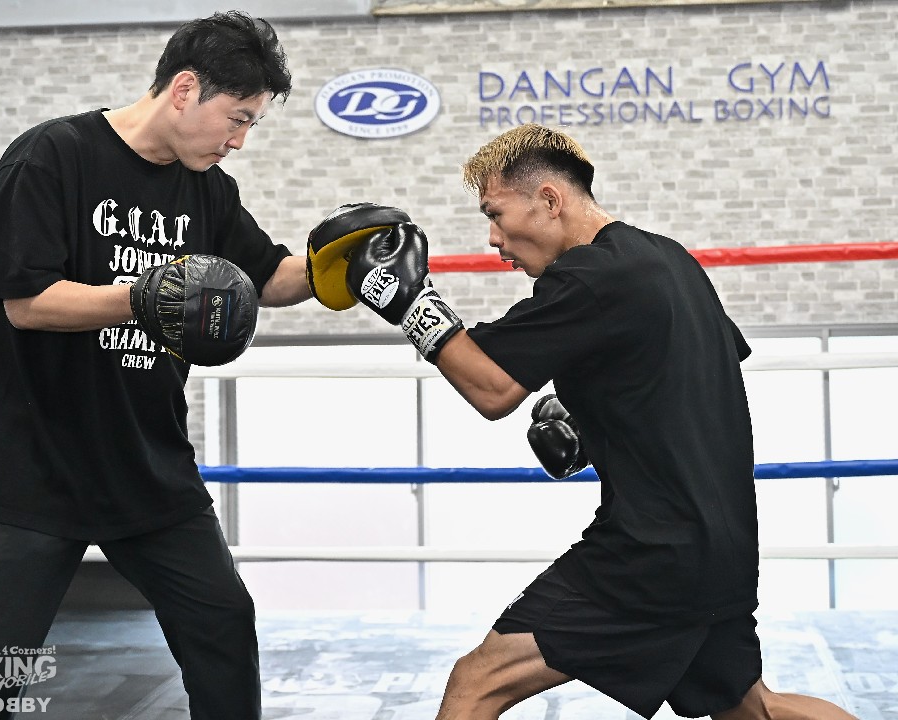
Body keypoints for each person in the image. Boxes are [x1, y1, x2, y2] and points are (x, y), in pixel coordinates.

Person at [327, 123, 858, 719]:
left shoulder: (589, 278)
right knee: (754, 709)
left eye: (496, 215)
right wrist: (595, 410)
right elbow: (685, 371)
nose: (494, 239)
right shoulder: (668, 257)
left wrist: (410, 303)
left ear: (549, 199)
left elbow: (492, 388)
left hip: (650, 553)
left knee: (476, 683)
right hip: (722, 546)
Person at [0, 12, 309, 720]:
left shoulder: (208, 189)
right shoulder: (52, 156)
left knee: (224, 625)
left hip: (148, 465)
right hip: (35, 467)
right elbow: (26, 303)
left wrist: (339, 265)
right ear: (185, 89)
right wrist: (143, 297)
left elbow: (268, 276)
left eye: (251, 124)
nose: (239, 140)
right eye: (237, 119)